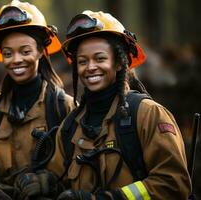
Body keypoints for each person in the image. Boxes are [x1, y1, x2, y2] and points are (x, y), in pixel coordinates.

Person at [16, 10, 192, 200]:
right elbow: (61, 178)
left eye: (100, 59)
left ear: (118, 63)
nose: (91, 67)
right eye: (82, 61)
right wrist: (46, 182)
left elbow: (174, 183)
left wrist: (111, 198)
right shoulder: (71, 126)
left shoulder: (147, 115)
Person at [0, 0, 75, 199]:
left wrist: (50, 183)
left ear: (41, 52)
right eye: (8, 53)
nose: (16, 60)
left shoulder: (64, 107)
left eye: (25, 51)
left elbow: (83, 176)